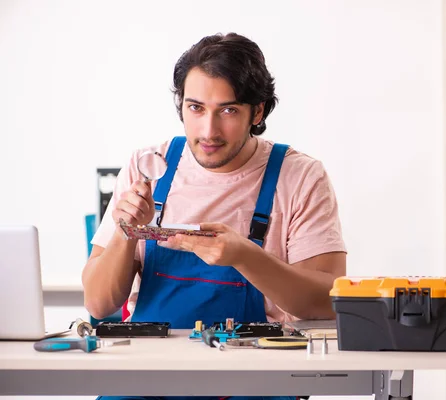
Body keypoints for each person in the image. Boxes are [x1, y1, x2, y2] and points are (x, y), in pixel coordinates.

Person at [82, 32, 347, 400]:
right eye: (195, 108)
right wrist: (127, 232)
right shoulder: (148, 167)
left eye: (228, 110)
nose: (208, 131)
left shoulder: (299, 176)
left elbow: (327, 303)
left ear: (258, 111)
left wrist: (244, 256)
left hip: (258, 377)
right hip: (149, 376)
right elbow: (98, 303)